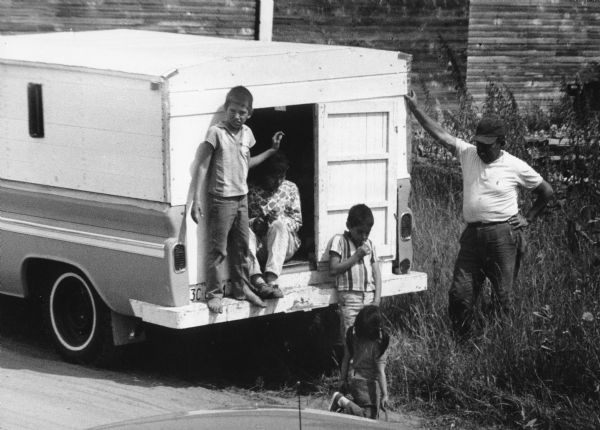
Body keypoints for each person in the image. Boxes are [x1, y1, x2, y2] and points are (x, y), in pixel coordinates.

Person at [404, 90, 554, 338]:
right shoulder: (468, 153)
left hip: (503, 237)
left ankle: (500, 345)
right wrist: (416, 109)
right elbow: (441, 135)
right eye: (479, 143)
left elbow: (546, 191)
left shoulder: (515, 165)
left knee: (502, 297)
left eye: (487, 145)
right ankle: (462, 342)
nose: (481, 149)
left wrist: (528, 216)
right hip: (472, 238)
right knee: (459, 294)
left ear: (501, 143)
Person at [190, 85, 285, 314]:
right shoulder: (216, 132)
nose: (237, 116)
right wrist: (196, 199)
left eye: (243, 112)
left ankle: (242, 289)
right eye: (233, 111)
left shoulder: (248, 134)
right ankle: (214, 294)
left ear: (249, 114)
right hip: (220, 200)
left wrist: (271, 151)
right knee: (218, 250)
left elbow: (246, 164)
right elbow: (202, 167)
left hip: (241, 199)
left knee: (242, 247)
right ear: (226, 109)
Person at [247, 151, 302, 299]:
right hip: (260, 248)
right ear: (263, 175)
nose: (278, 182)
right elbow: (243, 220)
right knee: (244, 231)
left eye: (281, 177)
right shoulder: (251, 190)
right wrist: (255, 224)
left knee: (278, 225)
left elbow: (297, 221)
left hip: (283, 247)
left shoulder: (290, 188)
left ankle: (271, 279)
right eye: (273, 177)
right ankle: (258, 280)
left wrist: (278, 220)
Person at [329, 204, 382, 335]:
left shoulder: (369, 244)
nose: (364, 236)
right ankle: (349, 356)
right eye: (360, 232)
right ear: (349, 226)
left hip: (369, 296)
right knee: (350, 336)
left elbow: (377, 274)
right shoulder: (339, 241)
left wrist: (377, 300)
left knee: (370, 336)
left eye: (367, 233)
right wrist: (357, 256)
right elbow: (333, 269)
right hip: (350, 297)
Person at [329, 305, 390, 420]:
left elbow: (346, 359)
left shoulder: (353, 335)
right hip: (368, 385)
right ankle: (339, 399)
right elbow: (380, 372)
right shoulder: (377, 344)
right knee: (369, 418)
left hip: (353, 380)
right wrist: (385, 394)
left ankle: (344, 406)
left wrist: (342, 379)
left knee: (357, 416)